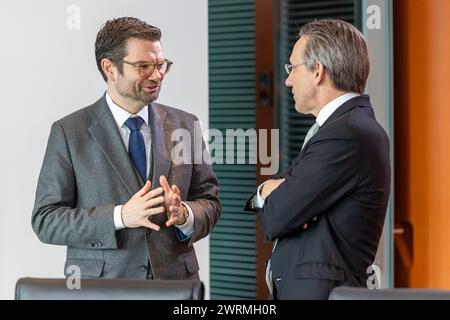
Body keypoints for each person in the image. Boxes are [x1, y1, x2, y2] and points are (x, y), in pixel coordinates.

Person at [32, 17, 221, 280]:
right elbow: (46, 220)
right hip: (103, 289)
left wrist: (186, 215)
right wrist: (119, 216)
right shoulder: (68, 132)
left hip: (176, 286)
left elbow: (210, 203)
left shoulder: (186, 125)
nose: (157, 75)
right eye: (143, 66)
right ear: (110, 68)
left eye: (160, 65)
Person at [245, 19, 390, 299]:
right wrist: (282, 193)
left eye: (292, 68)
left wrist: (266, 192)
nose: (287, 80)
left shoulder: (345, 134)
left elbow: (277, 217)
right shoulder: (340, 129)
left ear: (317, 72)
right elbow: (293, 196)